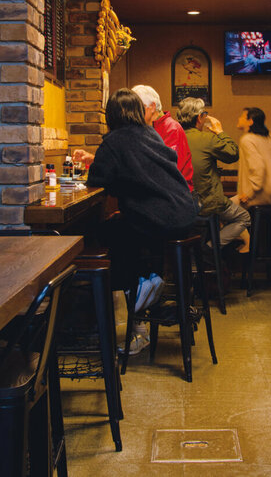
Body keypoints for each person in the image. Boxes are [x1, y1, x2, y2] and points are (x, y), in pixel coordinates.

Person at [82, 88, 198, 353]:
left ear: (110, 115)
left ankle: (136, 302)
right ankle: (149, 282)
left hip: (159, 219)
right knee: (125, 228)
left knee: (106, 234)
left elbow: (97, 181)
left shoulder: (114, 141)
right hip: (184, 213)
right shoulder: (152, 134)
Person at [176, 97, 250, 249]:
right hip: (207, 205)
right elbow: (233, 153)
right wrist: (220, 131)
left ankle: (198, 251)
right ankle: (209, 248)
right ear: (199, 118)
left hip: (180, 206)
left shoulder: (173, 137)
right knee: (244, 217)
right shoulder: (207, 139)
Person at [131, 84, 194, 191]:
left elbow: (164, 171)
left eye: (137, 109)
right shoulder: (146, 127)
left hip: (177, 196)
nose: (133, 114)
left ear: (152, 107)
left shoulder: (172, 129)